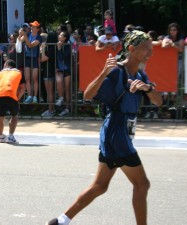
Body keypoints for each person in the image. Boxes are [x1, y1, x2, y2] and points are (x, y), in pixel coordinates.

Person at [45, 30, 162, 225]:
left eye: (151, 48)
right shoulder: (117, 72)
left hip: (119, 133)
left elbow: (158, 102)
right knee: (142, 184)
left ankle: (60, 221)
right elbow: (88, 95)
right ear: (131, 49)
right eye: (145, 49)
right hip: (116, 133)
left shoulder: (140, 73)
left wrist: (147, 88)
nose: (150, 53)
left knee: (100, 186)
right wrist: (102, 73)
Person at [0, 59, 25, 144]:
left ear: (7, 65)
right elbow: (23, 87)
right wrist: (17, 98)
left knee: (0, 117)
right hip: (12, 95)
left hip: (0, 95)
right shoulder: (19, 72)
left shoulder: (1, 72)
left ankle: (1, 137)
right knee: (14, 116)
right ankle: (10, 137)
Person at [18, 20, 42, 104]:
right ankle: (29, 96)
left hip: (35, 58)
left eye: (34, 26)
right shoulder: (27, 34)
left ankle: (35, 97)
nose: (32, 27)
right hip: (27, 58)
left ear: (37, 29)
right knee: (27, 78)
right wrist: (20, 34)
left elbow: (30, 45)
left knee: (35, 78)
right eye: (31, 26)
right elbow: (19, 41)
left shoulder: (39, 37)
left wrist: (24, 35)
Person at [161, 22, 185, 106]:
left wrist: (172, 44)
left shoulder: (181, 37)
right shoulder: (168, 37)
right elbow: (164, 46)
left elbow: (181, 49)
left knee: (176, 78)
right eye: (171, 30)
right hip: (168, 61)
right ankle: (165, 97)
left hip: (179, 60)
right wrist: (173, 44)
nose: (172, 32)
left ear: (177, 31)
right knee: (167, 77)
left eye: (174, 30)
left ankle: (173, 98)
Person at [40, 31, 57, 117]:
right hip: (50, 71)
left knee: (49, 92)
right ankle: (51, 109)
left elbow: (43, 59)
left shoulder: (50, 48)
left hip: (48, 71)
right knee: (51, 92)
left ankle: (51, 110)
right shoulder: (54, 47)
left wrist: (43, 49)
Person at [55, 31, 72, 117]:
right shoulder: (57, 44)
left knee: (67, 89)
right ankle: (61, 98)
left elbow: (63, 57)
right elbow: (57, 58)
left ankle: (67, 108)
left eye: (61, 35)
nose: (59, 36)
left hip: (67, 69)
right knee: (59, 83)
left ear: (65, 38)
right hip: (60, 69)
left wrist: (59, 49)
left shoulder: (68, 46)